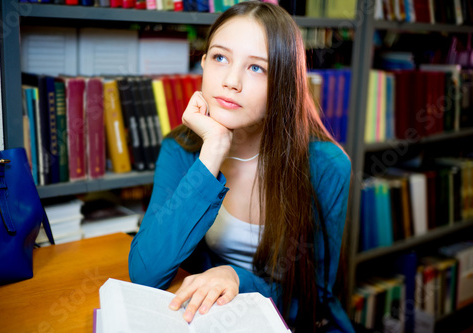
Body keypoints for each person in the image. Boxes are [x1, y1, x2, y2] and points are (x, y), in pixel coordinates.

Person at [128, 1, 354, 332]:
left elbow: (313, 296)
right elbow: (146, 272)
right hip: (213, 321)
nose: (231, 81)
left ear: (284, 84)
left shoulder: (326, 166)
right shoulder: (179, 150)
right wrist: (213, 152)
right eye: (220, 58)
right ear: (203, 64)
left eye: (256, 68)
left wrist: (237, 278)